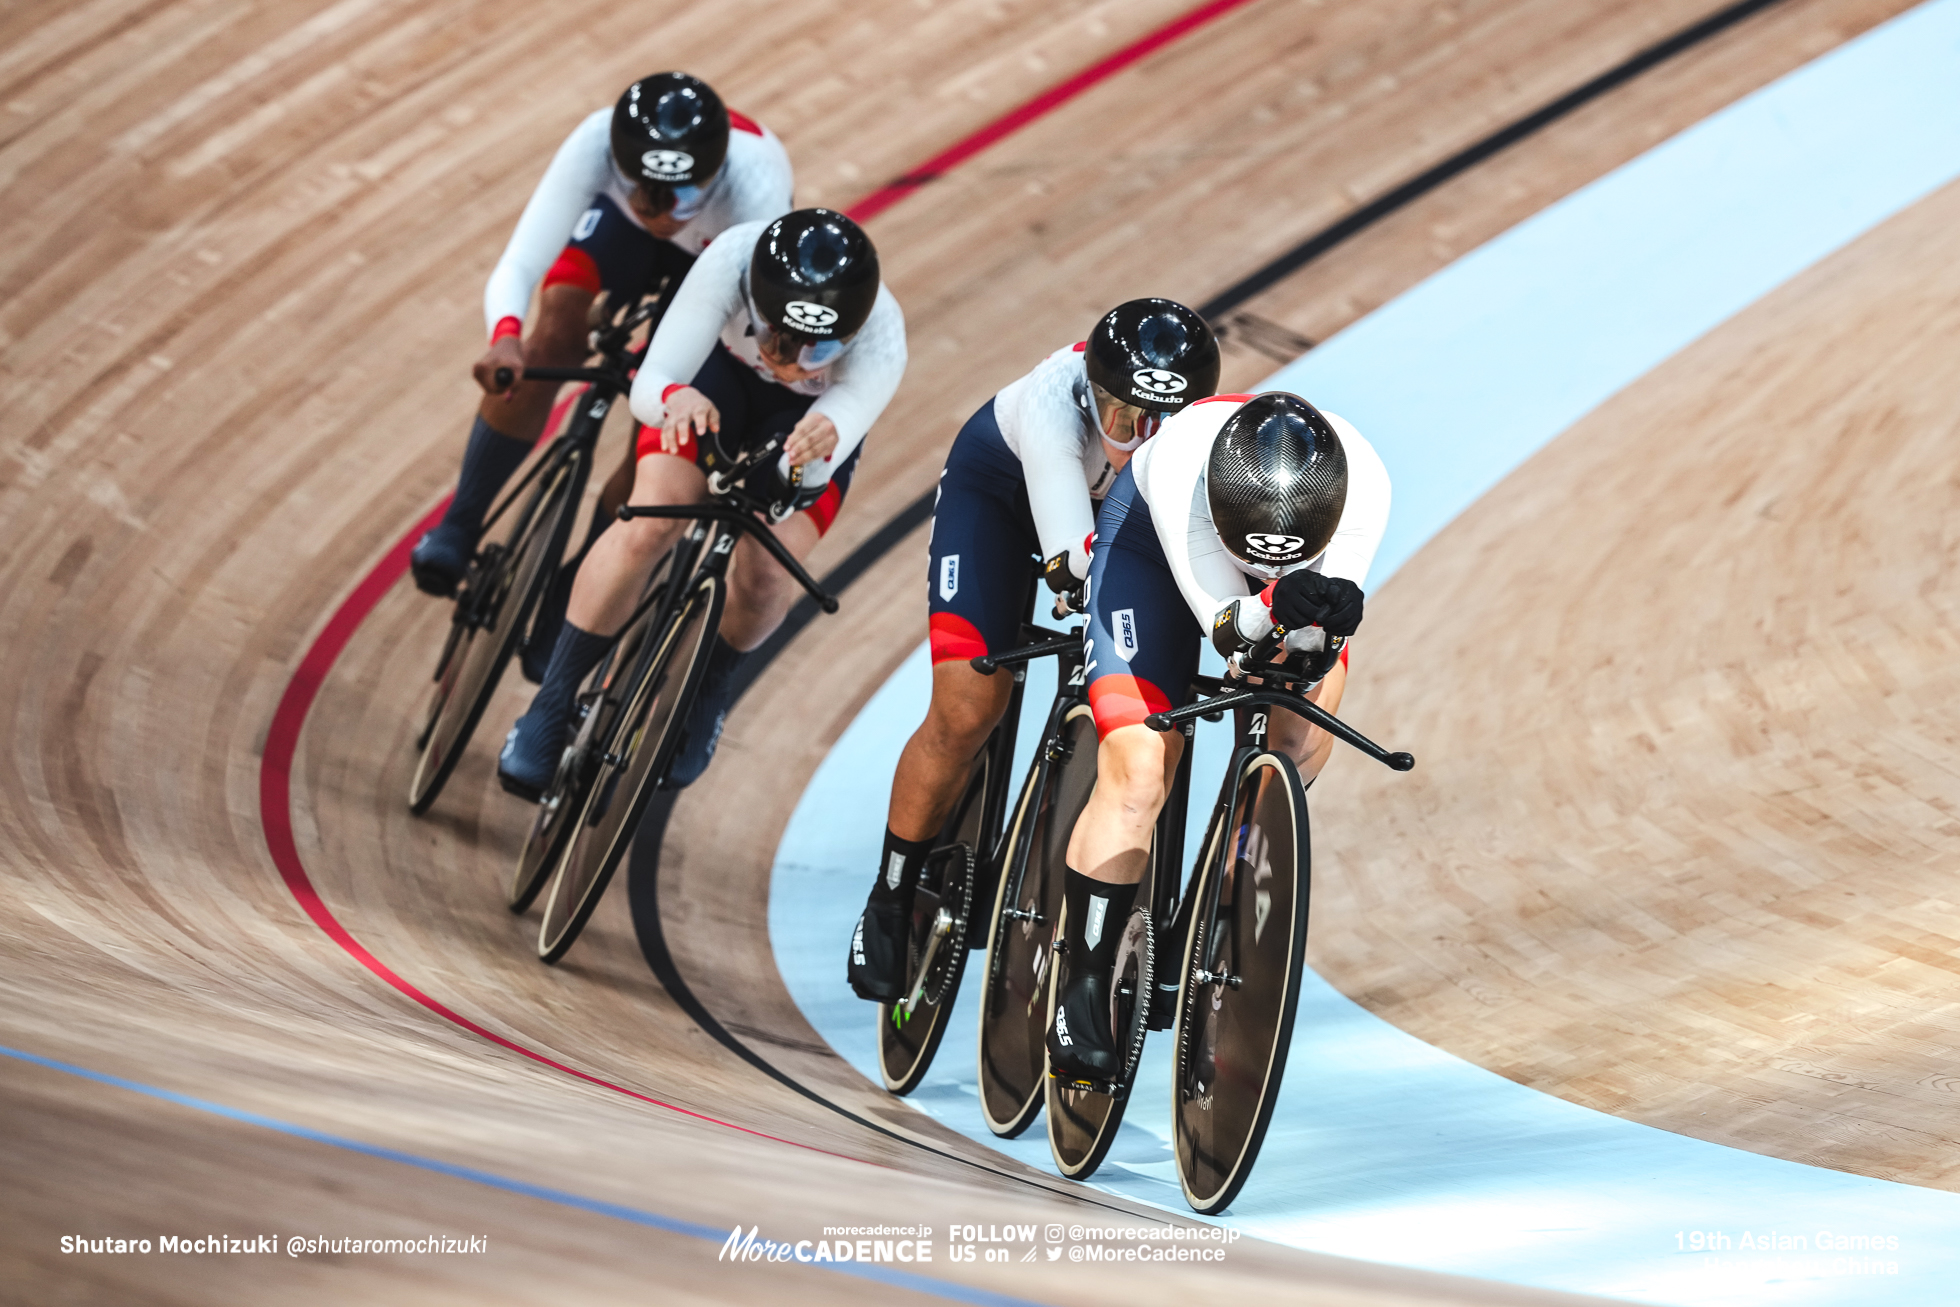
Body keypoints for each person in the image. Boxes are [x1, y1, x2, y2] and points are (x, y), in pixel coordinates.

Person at [845, 299, 1220, 1002]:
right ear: (1091, 394)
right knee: (967, 707)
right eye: (1122, 421)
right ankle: (890, 895)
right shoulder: (1055, 404)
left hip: (1116, 527)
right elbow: (1073, 557)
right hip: (1005, 501)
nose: (1141, 441)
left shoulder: (1200, 446)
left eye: (1164, 425)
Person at [496, 207, 907, 798]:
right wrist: (674, 396)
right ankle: (551, 702)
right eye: (775, 338)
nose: (786, 362)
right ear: (757, 305)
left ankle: (710, 690)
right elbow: (652, 381)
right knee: (651, 521)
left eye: (813, 353)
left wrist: (807, 458)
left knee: (766, 572)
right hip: (714, 376)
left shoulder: (881, 337)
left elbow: (811, 474)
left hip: (807, 424)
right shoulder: (732, 260)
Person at [1044, 390, 1390, 1080]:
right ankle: (1079, 982)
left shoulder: (1365, 487)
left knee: (1294, 738)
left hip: (1283, 567)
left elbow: (1318, 643)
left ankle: (1227, 877)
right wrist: (1269, 603)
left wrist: (1318, 622)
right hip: (1153, 548)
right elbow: (1231, 634)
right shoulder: (1180, 472)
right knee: (1141, 764)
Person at [408, 71, 792, 614]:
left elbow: (748, 329)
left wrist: (667, 382)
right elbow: (522, 260)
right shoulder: (596, 141)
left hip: (714, 261)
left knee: (661, 439)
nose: (663, 214)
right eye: (647, 194)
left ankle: (588, 572)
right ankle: (460, 522)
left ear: (714, 175)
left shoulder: (755, 190)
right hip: (621, 234)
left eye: (683, 199)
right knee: (554, 331)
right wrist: (506, 339)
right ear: (621, 165)